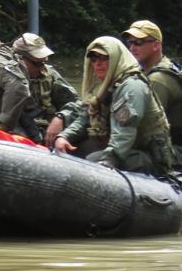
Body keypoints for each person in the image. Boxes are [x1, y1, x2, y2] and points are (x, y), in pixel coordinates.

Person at [53, 36, 174, 174]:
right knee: (71, 149)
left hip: (147, 156)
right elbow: (84, 119)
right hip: (126, 150)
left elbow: (125, 132)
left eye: (103, 58)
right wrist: (64, 137)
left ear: (116, 58)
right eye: (94, 59)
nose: (97, 63)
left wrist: (108, 160)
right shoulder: (105, 87)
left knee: (92, 160)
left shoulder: (132, 87)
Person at [122, 19, 182, 170]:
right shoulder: (164, 68)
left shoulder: (158, 80)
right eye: (130, 43)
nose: (132, 47)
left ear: (156, 45)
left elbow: (144, 129)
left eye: (139, 42)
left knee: (121, 157)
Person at [11, 32, 85, 147]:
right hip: (20, 139)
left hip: (49, 135)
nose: (42, 68)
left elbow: (78, 103)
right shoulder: (5, 80)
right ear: (19, 59)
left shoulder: (49, 75)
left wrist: (61, 117)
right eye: (37, 63)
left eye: (44, 62)